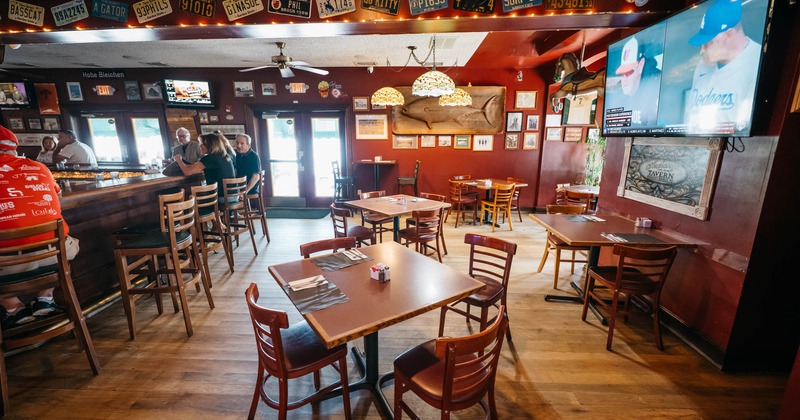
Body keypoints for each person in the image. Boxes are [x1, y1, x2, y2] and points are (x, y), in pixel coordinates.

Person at [0, 125, 80, 329]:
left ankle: (13, 308)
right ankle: (45, 298)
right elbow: (57, 197)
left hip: (9, 264)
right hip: (56, 255)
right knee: (68, 243)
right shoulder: (39, 167)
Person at [686, 0, 761, 133]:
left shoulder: (756, 64)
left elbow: (743, 131)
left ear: (728, 35)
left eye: (708, 43)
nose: (701, 51)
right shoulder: (702, 65)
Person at [613, 36, 661, 127]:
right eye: (622, 74)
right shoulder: (618, 91)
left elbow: (653, 129)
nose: (624, 80)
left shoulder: (655, 90)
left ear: (641, 65)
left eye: (629, 72)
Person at [174, 133, 235, 202]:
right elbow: (193, 166)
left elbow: (187, 172)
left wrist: (178, 160)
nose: (200, 145)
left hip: (221, 198)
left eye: (202, 144)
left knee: (190, 200)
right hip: (233, 195)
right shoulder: (225, 156)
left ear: (210, 145)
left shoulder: (210, 158)